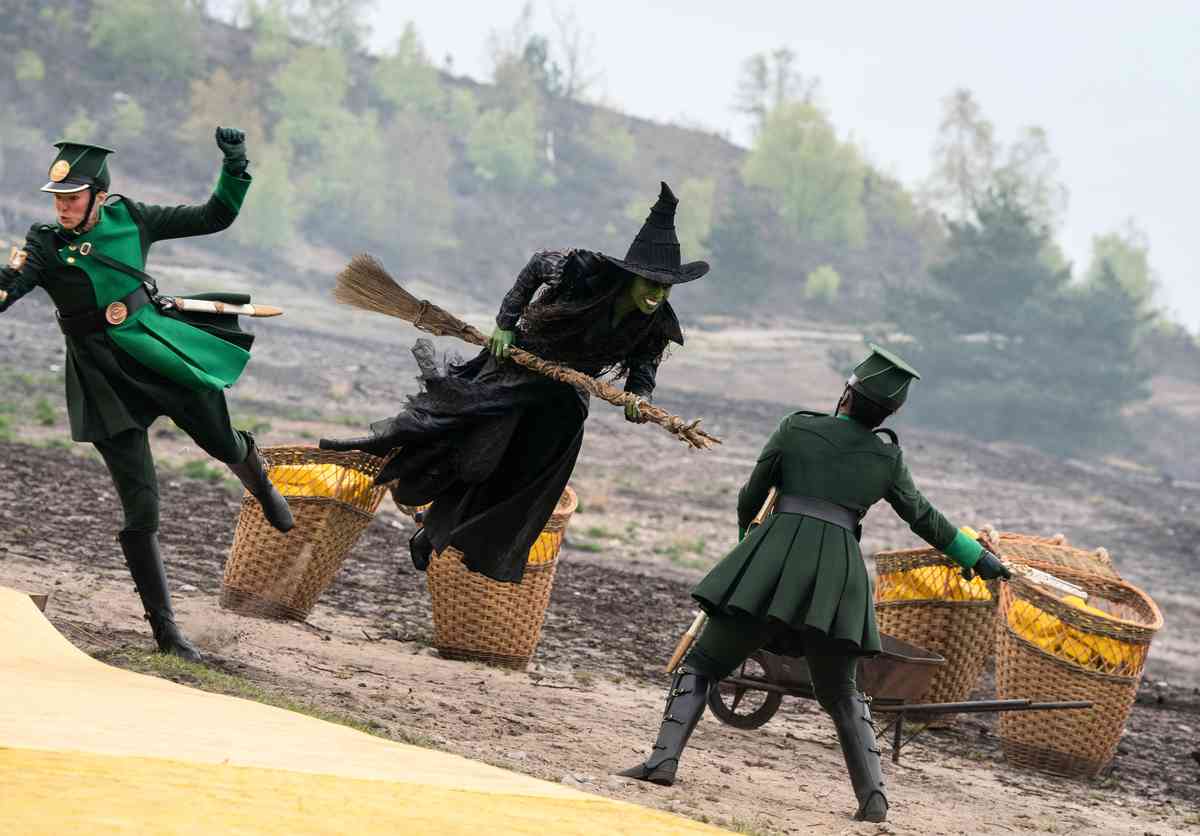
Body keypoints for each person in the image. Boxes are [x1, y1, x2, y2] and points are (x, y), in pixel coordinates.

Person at [618, 344, 1011, 823]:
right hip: (839, 578)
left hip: (772, 559)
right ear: (889, 414)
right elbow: (925, 519)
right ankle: (873, 799)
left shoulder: (796, 428)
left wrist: (750, 552)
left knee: (702, 665)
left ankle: (662, 761)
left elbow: (750, 498)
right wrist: (980, 558)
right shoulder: (887, 459)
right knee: (843, 692)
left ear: (846, 394)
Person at [0, 131, 293, 663]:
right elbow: (10, 286)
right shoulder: (43, 243)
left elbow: (214, 216)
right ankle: (167, 634)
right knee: (142, 509)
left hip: (156, 350)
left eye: (72, 197)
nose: (63, 207)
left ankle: (255, 474)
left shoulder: (132, 218)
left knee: (221, 443)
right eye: (57, 198)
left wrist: (235, 166)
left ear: (99, 195)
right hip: (101, 379)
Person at [321, 182, 708, 582]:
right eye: (650, 283)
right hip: (518, 369)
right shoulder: (584, 273)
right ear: (631, 277)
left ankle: (434, 536)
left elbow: (643, 373)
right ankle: (374, 457)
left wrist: (638, 399)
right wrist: (505, 324)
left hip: (564, 400)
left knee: (524, 478)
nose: (657, 294)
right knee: (476, 455)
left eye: (665, 287)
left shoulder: (657, 324)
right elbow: (539, 263)